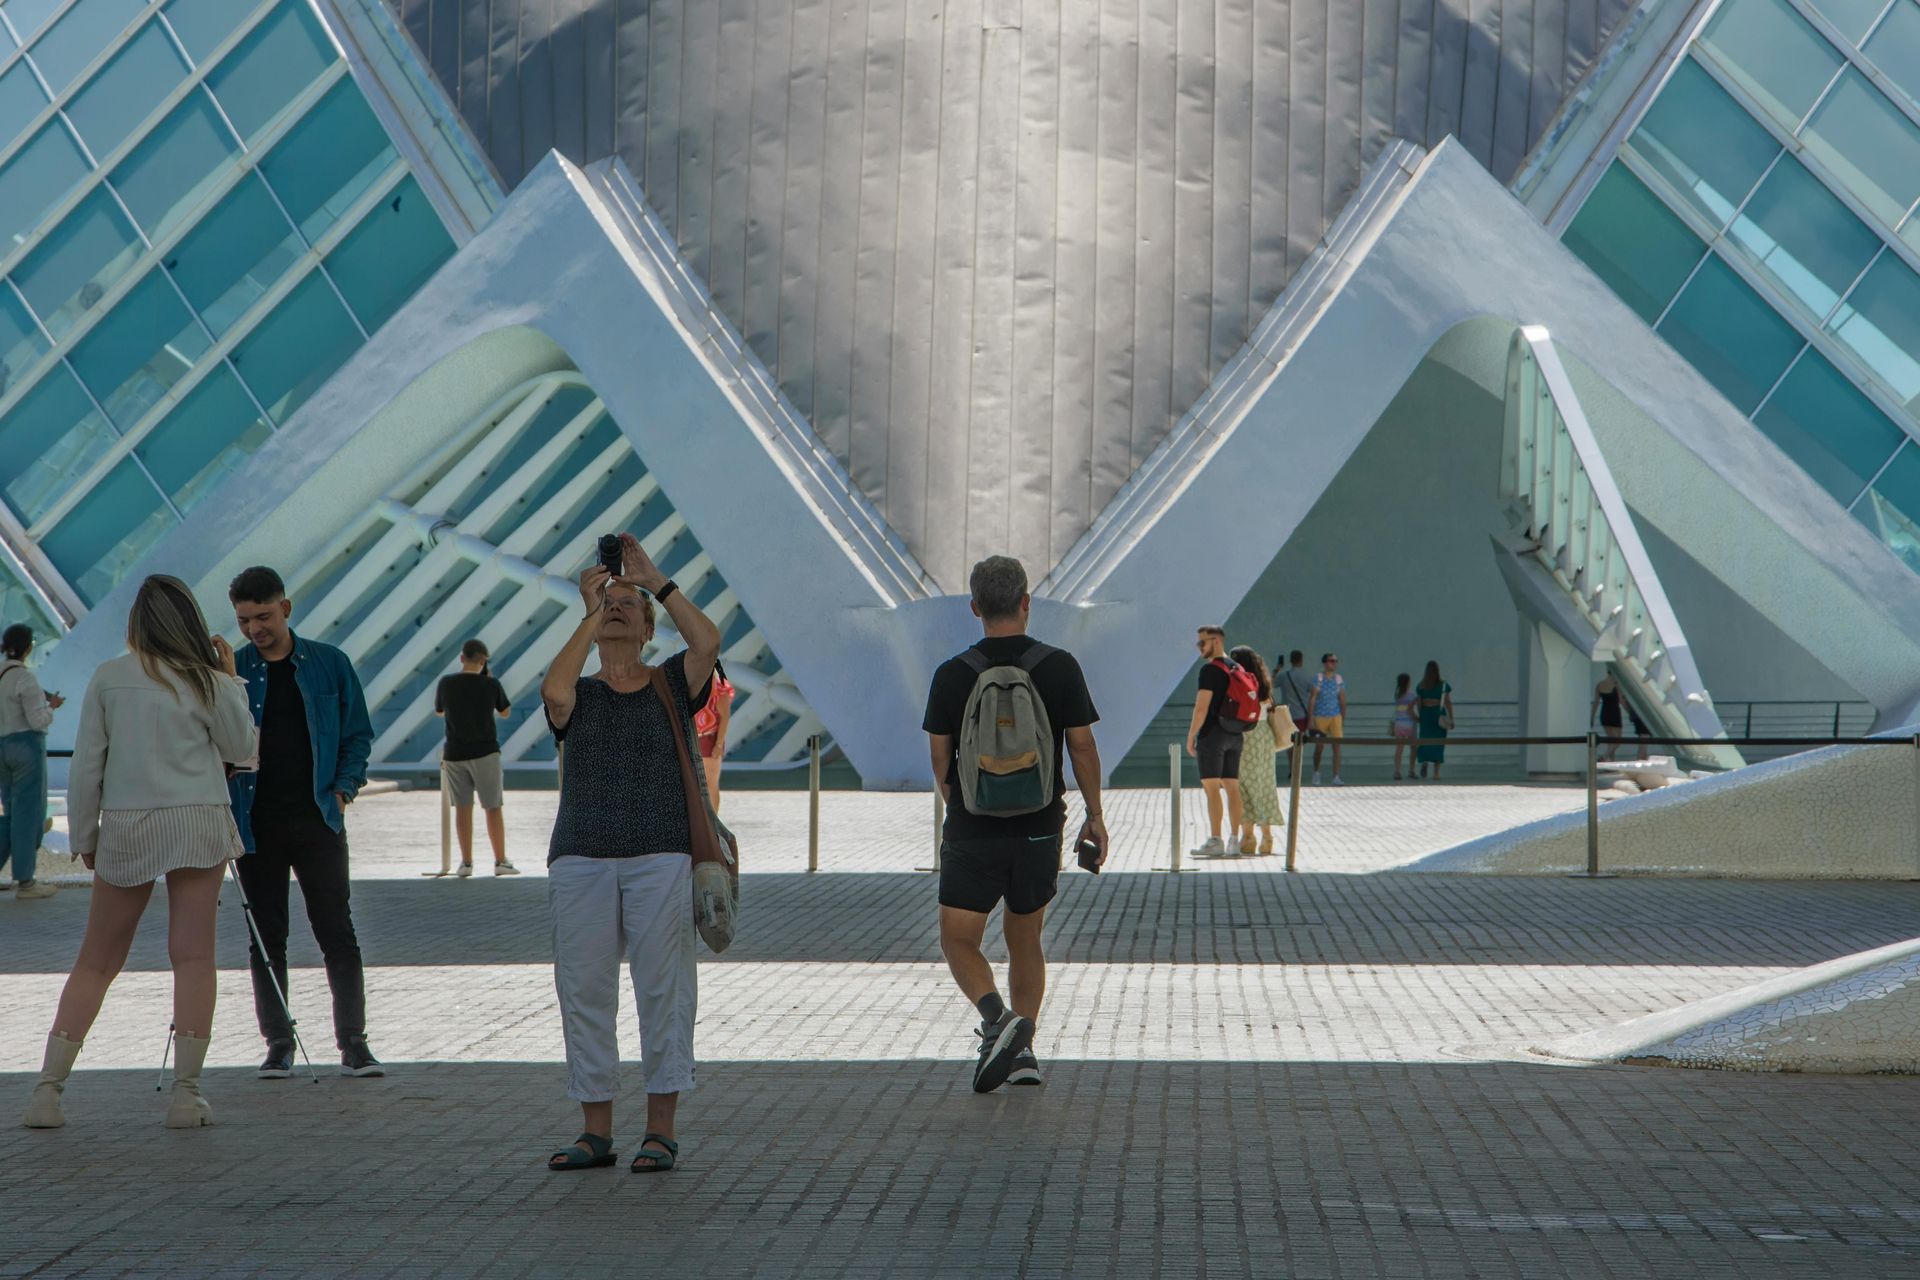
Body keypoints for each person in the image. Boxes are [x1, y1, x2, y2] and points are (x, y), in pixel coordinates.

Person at [25, 576, 254, 1130]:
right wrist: (231, 682)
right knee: (193, 957)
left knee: (98, 959)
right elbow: (244, 750)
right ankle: (185, 1095)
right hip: (197, 817)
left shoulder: (109, 678)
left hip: (129, 824)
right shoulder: (208, 682)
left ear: (136, 624)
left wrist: (84, 837)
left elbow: (86, 768)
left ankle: (47, 1094)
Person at [542, 532, 719, 1173]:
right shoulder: (580, 694)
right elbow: (554, 690)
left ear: (647, 628)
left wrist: (654, 583)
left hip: (661, 856)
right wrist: (590, 614)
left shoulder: (672, 679)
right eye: (608, 601)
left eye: (627, 606)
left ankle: (661, 1129)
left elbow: (707, 643)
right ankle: (595, 1131)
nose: (617, 608)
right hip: (581, 857)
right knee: (584, 990)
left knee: (663, 991)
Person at [924, 556, 1104, 1093]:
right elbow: (1082, 745)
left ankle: (995, 1020)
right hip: (1040, 824)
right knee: (1025, 936)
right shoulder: (1060, 666)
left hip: (972, 825)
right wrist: (1094, 816)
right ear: (1027, 602)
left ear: (974, 607)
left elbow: (940, 759)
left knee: (958, 938)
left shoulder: (953, 673)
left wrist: (962, 802)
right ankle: (1022, 1050)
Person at [226, 566, 382, 1080]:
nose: (255, 629)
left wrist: (344, 789)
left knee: (336, 930)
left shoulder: (329, 664)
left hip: (318, 817)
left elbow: (358, 733)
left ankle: (354, 1044)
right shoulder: (234, 671)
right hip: (255, 823)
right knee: (266, 938)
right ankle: (278, 1044)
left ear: (286, 608)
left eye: (264, 616)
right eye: (246, 620)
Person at [435, 639, 515, 877]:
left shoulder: (446, 683)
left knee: (462, 808)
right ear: (483, 661)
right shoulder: (491, 685)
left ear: (462, 658)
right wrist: (487, 681)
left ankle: (466, 863)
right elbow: (505, 712)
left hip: (455, 753)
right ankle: (500, 861)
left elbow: (440, 711)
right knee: (492, 807)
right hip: (485, 752)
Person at [1, 624, 63, 898]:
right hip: (26, 746)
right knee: (29, 813)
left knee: (10, 812)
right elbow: (37, 719)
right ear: (28, 647)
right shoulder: (25, 678)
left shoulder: (1, 673)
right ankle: (25, 881)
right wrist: (51, 707)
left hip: (1, 748)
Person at [1185, 626, 1244, 856]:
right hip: (1236, 734)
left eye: (1203, 643)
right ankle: (1234, 841)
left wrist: (1191, 736)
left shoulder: (1210, 671)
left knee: (1212, 788)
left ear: (1217, 642)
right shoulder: (1237, 668)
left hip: (1212, 735)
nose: (1200, 647)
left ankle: (1216, 840)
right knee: (1232, 787)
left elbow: (1201, 708)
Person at [1231, 646, 1289, 855]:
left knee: (1243, 786)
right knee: (1264, 785)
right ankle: (1267, 837)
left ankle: (1248, 837)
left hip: (1246, 735)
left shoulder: (1240, 681)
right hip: (1265, 737)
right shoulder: (1264, 683)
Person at [694, 663, 734, 810]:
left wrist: (718, 744)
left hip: (709, 739)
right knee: (695, 784)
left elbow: (725, 718)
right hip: (694, 739)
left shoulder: (719, 692)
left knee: (710, 784)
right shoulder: (692, 691)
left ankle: (713, 822)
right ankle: (701, 820)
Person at [1307, 653, 1347, 785]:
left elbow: (1342, 699)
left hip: (1335, 716)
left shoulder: (1338, 679)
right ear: (1325, 663)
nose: (1334, 663)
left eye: (1335, 661)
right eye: (1331, 661)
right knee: (1319, 747)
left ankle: (1336, 775)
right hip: (1320, 716)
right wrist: (1310, 719)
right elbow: (1312, 699)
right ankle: (1316, 772)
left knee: (1337, 747)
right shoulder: (1318, 678)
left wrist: (1343, 716)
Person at [1415, 661, 1454, 781]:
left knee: (1425, 740)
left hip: (1426, 715)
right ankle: (1436, 772)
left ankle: (1424, 762)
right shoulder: (1443, 685)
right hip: (1438, 715)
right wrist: (1452, 718)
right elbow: (1448, 702)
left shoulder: (1421, 685)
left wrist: (1421, 716)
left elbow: (1419, 703)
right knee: (1439, 743)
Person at [1274, 650, 1313, 745]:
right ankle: (1297, 759)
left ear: (1290, 661)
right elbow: (1313, 693)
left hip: (1288, 714)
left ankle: (1291, 760)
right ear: (1301, 660)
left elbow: (1270, 683)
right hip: (1301, 715)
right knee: (1299, 742)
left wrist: (1277, 669)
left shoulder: (1284, 676)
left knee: (1289, 741)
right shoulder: (1306, 677)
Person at [1391, 674, 1419, 780]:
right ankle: (1411, 770)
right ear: (1408, 682)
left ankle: (1397, 771)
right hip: (1410, 725)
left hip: (1399, 725)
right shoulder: (1412, 695)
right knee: (1413, 747)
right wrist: (1418, 719)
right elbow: (1410, 711)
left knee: (1399, 749)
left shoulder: (1397, 695)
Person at [1592, 674, 1624, 761]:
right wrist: (1629, 711)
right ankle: (1605, 757)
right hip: (1615, 713)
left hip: (1604, 713)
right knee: (1618, 739)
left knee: (1610, 739)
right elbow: (1621, 701)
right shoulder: (1616, 685)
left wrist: (1592, 717)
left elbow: (1596, 702)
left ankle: (1611, 762)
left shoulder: (1599, 685)